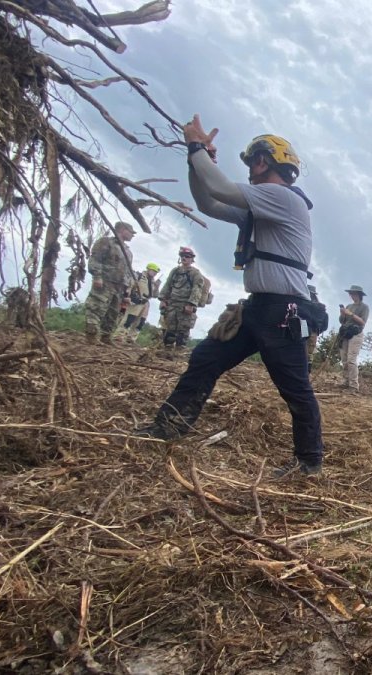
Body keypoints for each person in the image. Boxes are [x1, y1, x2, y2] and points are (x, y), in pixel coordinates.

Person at [137, 118, 324, 480]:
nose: (250, 167)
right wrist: (198, 159)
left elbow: (220, 188)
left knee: (295, 388)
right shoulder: (261, 205)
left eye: (254, 159)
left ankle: (309, 462)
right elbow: (207, 201)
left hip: (283, 311)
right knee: (205, 360)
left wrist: (196, 150)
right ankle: (169, 427)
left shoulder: (281, 197)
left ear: (266, 161)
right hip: (257, 308)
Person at [83, 221, 135, 345]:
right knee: (96, 308)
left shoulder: (128, 251)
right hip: (105, 282)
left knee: (113, 313)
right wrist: (97, 276)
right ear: (123, 230)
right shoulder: (106, 242)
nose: (132, 235)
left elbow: (128, 272)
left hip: (119, 287)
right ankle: (91, 336)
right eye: (131, 232)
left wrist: (127, 291)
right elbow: (95, 259)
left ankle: (105, 338)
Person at [158, 246, 209, 356]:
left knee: (183, 329)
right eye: (182, 256)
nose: (184, 258)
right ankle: (167, 350)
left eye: (187, 256)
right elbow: (167, 285)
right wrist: (163, 299)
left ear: (192, 259)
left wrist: (191, 304)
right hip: (172, 303)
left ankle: (179, 352)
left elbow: (197, 289)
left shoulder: (195, 273)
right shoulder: (175, 271)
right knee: (169, 327)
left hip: (185, 305)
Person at [116, 262, 161, 345]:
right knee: (129, 319)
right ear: (148, 269)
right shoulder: (138, 276)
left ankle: (131, 339)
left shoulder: (153, 282)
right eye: (153, 271)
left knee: (140, 322)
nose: (154, 273)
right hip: (136, 300)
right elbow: (130, 286)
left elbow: (155, 295)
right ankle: (119, 336)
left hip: (145, 303)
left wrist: (157, 287)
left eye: (156, 272)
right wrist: (126, 296)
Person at [337, 284, 369, 392]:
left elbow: (362, 322)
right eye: (351, 293)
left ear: (359, 295)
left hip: (356, 334)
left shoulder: (364, 307)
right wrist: (342, 313)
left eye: (354, 293)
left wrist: (350, 314)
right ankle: (346, 381)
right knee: (344, 359)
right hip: (345, 333)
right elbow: (342, 321)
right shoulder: (348, 306)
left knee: (351, 360)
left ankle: (353, 386)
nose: (352, 295)